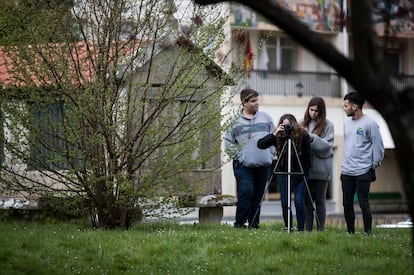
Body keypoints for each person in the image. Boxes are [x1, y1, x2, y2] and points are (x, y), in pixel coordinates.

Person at [224, 88, 275, 229]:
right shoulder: (234, 121)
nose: (257, 103)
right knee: (246, 192)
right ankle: (239, 224)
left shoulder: (266, 117)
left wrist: (271, 155)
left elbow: (275, 138)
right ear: (244, 103)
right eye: (253, 101)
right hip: (243, 166)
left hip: (263, 166)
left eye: (257, 100)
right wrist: (242, 158)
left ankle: (254, 225)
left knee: (258, 196)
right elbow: (228, 144)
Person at [258, 114, 311, 231]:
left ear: (294, 124)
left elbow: (307, 161)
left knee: (298, 201)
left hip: (300, 172)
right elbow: (260, 145)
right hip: (283, 171)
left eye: (289, 125)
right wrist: (274, 134)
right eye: (284, 125)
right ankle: (288, 228)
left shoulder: (303, 135)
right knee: (284, 202)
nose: (286, 128)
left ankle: (301, 230)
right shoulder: (279, 136)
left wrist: (297, 179)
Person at [341, 91, 384, 235]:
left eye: (346, 106)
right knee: (347, 204)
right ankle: (350, 232)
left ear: (354, 107)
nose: (344, 108)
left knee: (363, 203)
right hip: (346, 171)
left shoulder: (370, 124)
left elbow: (378, 147)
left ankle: (367, 233)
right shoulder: (346, 123)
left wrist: (373, 165)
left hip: (363, 170)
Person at [301, 97, 334, 231]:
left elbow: (327, 146)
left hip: (322, 170)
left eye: (317, 111)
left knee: (320, 201)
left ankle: (321, 230)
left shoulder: (328, 125)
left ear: (322, 112)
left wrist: (311, 138)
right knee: (307, 202)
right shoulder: (302, 124)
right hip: (306, 169)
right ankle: (307, 230)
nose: (314, 113)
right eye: (312, 109)